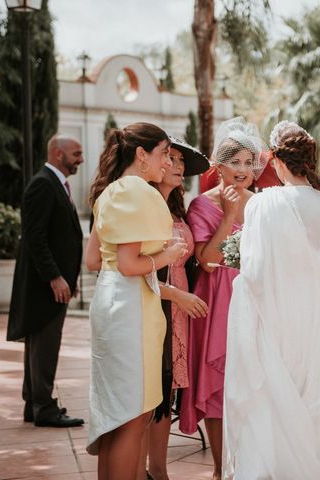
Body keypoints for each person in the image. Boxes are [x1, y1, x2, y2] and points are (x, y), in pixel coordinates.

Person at [222, 121, 320, 479]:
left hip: (281, 329)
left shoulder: (265, 204)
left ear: (273, 159)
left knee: (275, 419)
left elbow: (254, 278)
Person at [84, 122, 188, 480]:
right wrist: (169, 254)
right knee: (133, 415)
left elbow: (94, 260)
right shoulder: (138, 192)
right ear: (141, 154)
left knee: (116, 415)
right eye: (163, 154)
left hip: (111, 299)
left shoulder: (110, 191)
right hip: (131, 309)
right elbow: (130, 265)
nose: (167, 162)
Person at [178, 117, 266, 480]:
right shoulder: (201, 205)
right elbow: (208, 261)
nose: (243, 170)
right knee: (217, 385)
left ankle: (249, 464)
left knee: (253, 382)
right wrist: (229, 215)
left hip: (255, 300)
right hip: (216, 302)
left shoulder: (263, 204)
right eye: (235, 162)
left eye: (249, 162)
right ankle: (219, 469)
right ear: (218, 166)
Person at [7, 134, 85, 428]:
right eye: (76, 154)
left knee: (41, 345)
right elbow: (35, 238)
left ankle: (34, 403)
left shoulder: (55, 183)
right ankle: (44, 407)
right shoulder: (43, 183)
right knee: (45, 345)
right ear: (57, 153)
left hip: (54, 283)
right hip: (44, 286)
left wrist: (68, 277)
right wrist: (54, 277)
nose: (80, 159)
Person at [145, 136, 210, 480]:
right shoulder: (147, 205)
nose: (177, 165)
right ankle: (150, 468)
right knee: (153, 389)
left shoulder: (178, 210)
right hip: (158, 303)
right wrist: (179, 297)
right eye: (170, 158)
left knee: (167, 389)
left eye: (181, 161)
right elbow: (144, 273)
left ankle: (158, 467)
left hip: (181, 306)